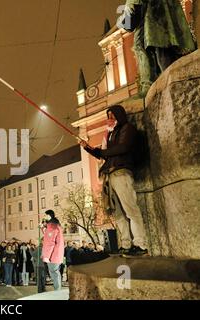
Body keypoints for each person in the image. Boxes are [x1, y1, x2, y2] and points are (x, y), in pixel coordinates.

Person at [80, 105, 149, 256]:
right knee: (117, 213)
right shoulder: (111, 134)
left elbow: (123, 148)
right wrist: (89, 149)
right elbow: (105, 155)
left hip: (121, 172)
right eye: (108, 116)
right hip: (109, 176)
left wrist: (101, 151)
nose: (109, 119)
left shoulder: (127, 129)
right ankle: (126, 244)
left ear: (119, 116)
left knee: (131, 210)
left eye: (112, 116)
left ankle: (141, 244)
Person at [120, 0, 196, 96]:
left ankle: (155, 84)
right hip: (151, 17)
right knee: (143, 46)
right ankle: (150, 83)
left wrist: (130, 7)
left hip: (156, 18)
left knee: (158, 47)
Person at [41, 210, 65, 291]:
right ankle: (58, 291)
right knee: (55, 272)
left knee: (54, 273)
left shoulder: (51, 226)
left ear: (49, 216)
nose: (44, 217)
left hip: (52, 255)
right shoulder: (55, 225)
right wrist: (43, 227)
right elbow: (48, 236)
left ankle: (57, 292)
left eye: (45, 215)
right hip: (57, 254)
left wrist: (47, 256)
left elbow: (50, 242)